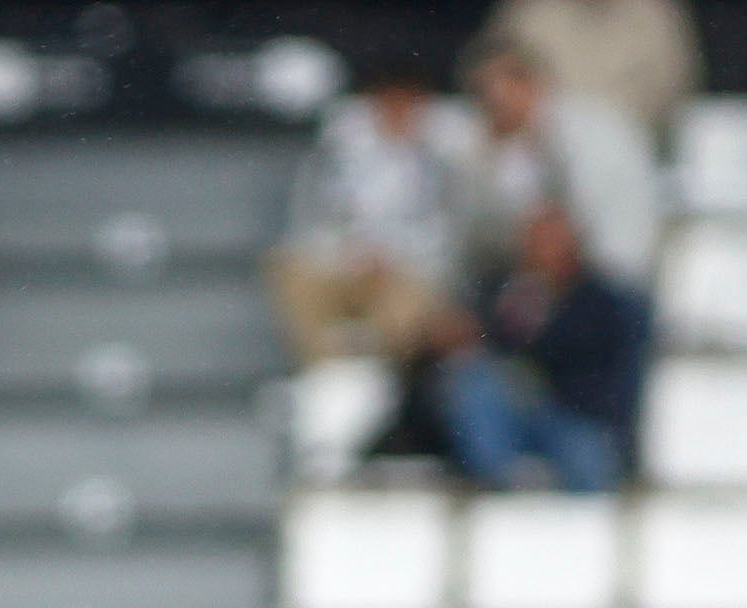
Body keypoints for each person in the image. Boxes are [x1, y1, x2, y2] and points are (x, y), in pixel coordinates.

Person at [267, 59, 473, 365]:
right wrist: (353, 253)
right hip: (343, 262)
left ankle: (377, 375)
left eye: (408, 103)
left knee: (412, 305)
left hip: (408, 270)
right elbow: (310, 217)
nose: (399, 111)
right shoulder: (337, 149)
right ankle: (327, 371)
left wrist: (392, 256)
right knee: (291, 271)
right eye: (391, 101)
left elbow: (450, 232)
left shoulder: (444, 159)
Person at [440, 203, 645, 491]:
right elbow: (486, 346)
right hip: (522, 411)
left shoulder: (605, 302)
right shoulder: (505, 291)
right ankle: (497, 484)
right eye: (538, 242)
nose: (545, 251)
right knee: (475, 382)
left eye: (553, 241)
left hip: (579, 415)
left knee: (589, 456)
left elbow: (603, 372)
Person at [464, 39, 659, 290]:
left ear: (527, 83)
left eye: (498, 99)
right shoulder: (510, 146)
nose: (493, 112)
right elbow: (484, 235)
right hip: (548, 278)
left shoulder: (589, 129)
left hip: (612, 275)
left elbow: (586, 224)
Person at [478, 0, 700, 134]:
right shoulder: (528, 12)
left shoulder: (655, 16)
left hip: (630, 157)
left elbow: (676, 89)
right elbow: (490, 76)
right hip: (538, 168)